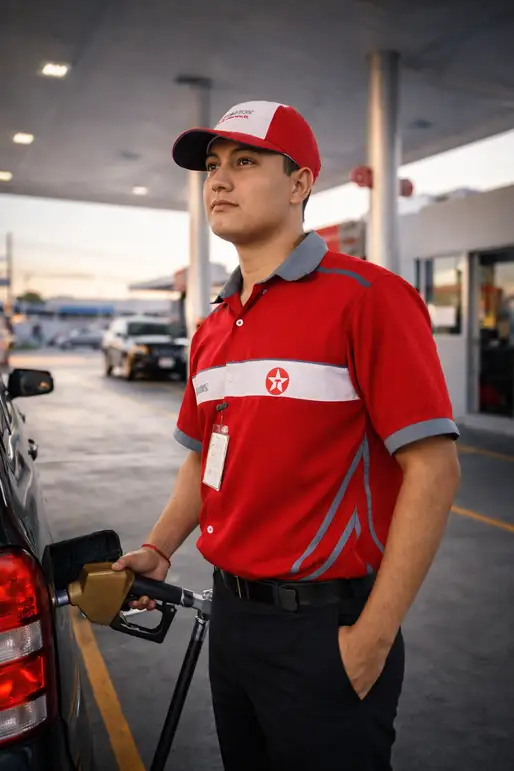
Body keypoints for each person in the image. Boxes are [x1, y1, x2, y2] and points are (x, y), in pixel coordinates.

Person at [112, 101, 461, 771]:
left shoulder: (368, 298)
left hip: (326, 630)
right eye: (213, 167)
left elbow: (435, 470)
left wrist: (372, 638)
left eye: (245, 162)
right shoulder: (215, 326)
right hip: (233, 624)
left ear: (300, 183)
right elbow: (201, 466)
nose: (219, 180)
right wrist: (159, 548)